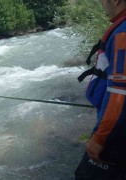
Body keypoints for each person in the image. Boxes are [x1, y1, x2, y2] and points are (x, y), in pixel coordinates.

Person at [75, 0, 126, 179]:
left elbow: (120, 95)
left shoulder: (123, 33)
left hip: (117, 134)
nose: (102, 3)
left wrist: (99, 137)